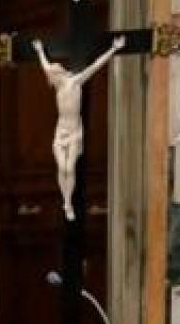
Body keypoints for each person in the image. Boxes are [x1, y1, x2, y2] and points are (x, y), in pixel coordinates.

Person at [33, 36, 126, 220]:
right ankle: (66, 201)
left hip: (75, 132)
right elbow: (44, 65)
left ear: (58, 74)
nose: (50, 78)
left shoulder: (75, 81)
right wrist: (39, 51)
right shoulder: (58, 85)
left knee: (69, 168)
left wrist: (114, 49)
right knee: (62, 168)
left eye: (52, 76)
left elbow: (96, 66)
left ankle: (68, 202)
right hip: (60, 132)